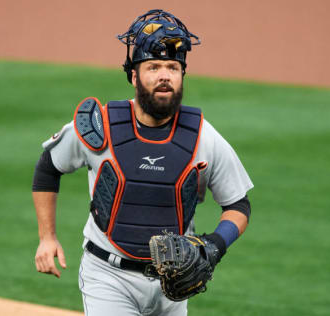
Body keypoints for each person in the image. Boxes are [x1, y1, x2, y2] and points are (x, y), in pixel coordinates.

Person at [32, 9, 253, 316]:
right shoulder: (101, 126)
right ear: (134, 76)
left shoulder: (203, 136)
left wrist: (216, 244)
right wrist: (47, 237)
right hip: (108, 278)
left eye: (173, 68)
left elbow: (239, 205)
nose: (164, 75)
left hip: (172, 286)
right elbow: (48, 166)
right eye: (154, 67)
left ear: (182, 75)